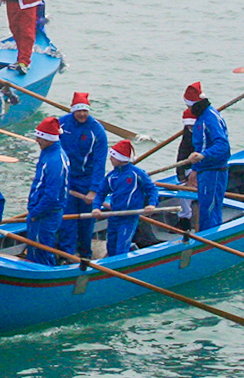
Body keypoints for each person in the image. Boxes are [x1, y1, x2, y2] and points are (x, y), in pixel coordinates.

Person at [55, 93, 109, 259]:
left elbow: (100, 163)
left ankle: (85, 254)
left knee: (86, 221)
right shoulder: (62, 123)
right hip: (67, 181)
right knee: (67, 220)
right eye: (79, 111)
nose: (82, 114)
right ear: (72, 111)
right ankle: (67, 255)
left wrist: (94, 190)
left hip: (87, 181)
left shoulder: (97, 131)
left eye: (85, 110)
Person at [180, 82, 231, 230]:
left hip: (214, 171)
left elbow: (223, 146)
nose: (188, 109)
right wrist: (195, 169)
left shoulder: (210, 119)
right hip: (204, 169)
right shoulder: (202, 117)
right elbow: (200, 145)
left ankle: (210, 241)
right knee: (205, 208)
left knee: (210, 211)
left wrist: (203, 156)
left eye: (189, 106)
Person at [98, 141, 158, 256]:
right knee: (111, 247)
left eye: (113, 156)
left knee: (121, 248)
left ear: (120, 159)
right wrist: (96, 207)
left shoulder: (137, 173)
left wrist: (151, 204)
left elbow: (152, 189)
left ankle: (120, 267)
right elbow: (101, 193)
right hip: (114, 216)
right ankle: (111, 268)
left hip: (129, 217)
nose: (110, 159)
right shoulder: (111, 176)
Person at [26, 117, 68, 265]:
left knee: (40, 253)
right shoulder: (48, 152)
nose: (37, 140)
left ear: (49, 138)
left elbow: (51, 195)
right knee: (36, 250)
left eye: (40, 137)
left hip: (45, 215)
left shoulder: (55, 160)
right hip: (40, 211)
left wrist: (35, 213)